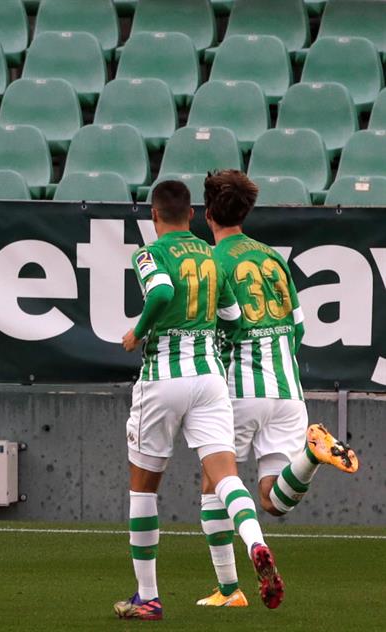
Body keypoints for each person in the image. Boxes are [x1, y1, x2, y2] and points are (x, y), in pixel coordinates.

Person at [114, 181, 283, 621]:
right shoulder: (212, 255)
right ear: (191, 214)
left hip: (163, 379)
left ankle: (147, 596)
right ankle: (256, 543)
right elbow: (233, 317)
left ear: (154, 216)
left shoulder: (149, 254)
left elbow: (162, 293)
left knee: (144, 489)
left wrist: (138, 331)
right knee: (226, 478)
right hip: (210, 379)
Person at [194, 170, 359, 608]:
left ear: (207, 214)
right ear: (245, 213)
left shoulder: (214, 263)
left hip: (238, 390)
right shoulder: (272, 258)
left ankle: (229, 590)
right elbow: (300, 327)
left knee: (214, 481)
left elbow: (216, 328)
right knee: (272, 499)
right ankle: (311, 455)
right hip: (288, 390)